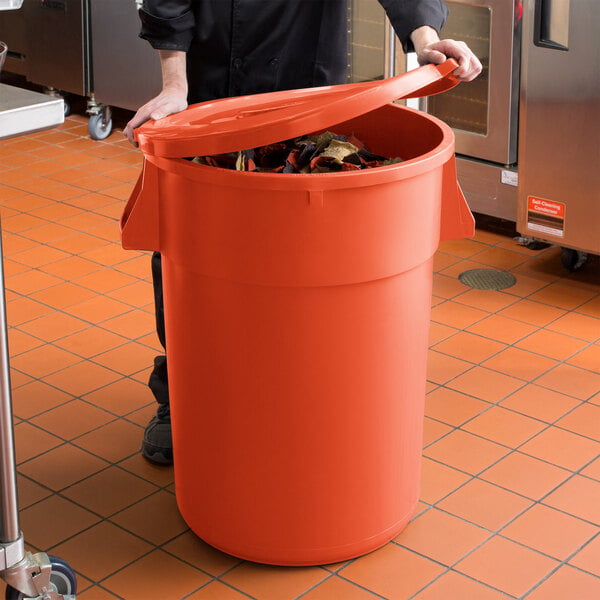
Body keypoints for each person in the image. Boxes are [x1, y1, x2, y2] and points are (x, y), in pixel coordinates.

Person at [124, 0, 482, 465]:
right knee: (192, 245)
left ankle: (298, 391)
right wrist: (175, 84)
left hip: (307, 86)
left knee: (300, 250)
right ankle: (185, 395)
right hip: (208, 84)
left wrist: (427, 40)